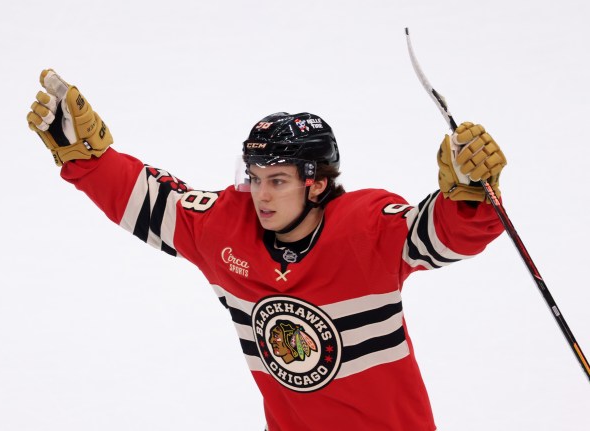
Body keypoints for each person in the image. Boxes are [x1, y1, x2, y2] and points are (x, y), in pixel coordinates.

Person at [27, 69, 507, 430]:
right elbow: (150, 202)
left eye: (278, 180)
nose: (261, 194)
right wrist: (88, 158)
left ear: (316, 183)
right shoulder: (226, 231)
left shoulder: (365, 232)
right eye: (255, 179)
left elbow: (440, 236)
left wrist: (467, 197)